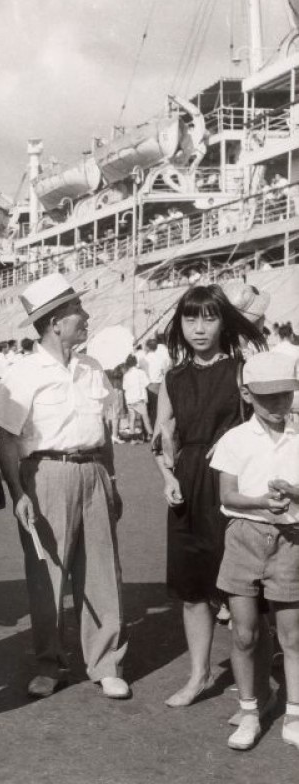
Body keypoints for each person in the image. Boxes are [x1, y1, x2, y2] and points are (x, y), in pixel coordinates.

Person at [0, 273, 129, 700]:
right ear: (54, 323)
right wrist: (18, 494)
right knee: (48, 573)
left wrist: (111, 480)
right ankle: (50, 664)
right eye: (77, 310)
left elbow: (103, 430)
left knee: (102, 571)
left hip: (94, 471)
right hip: (45, 474)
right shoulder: (22, 373)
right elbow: (6, 440)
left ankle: (106, 662)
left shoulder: (92, 367)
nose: (86, 316)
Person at [153, 284, 267, 709]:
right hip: (187, 485)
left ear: (224, 323)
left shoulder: (241, 370)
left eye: (209, 318)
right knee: (193, 589)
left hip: (231, 485)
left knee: (245, 591)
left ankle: (258, 685)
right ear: (179, 324)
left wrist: (236, 445)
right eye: (190, 319)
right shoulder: (172, 378)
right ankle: (199, 676)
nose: (198, 329)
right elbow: (161, 438)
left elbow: (266, 424)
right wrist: (167, 476)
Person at [209, 352, 299, 750]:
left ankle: (294, 713)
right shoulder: (235, 439)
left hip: (292, 539)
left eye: (285, 395)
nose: (279, 404)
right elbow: (227, 495)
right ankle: (249, 711)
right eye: (268, 396)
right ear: (247, 394)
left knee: (292, 636)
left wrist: (294, 493)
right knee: (244, 633)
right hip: (243, 537)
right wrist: (261, 501)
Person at [122, 354, 153, 441]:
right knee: (145, 418)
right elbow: (147, 384)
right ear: (136, 362)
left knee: (132, 419)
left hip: (129, 399)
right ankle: (151, 435)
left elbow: (124, 387)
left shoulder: (126, 375)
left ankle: (133, 439)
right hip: (139, 399)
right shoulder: (141, 372)